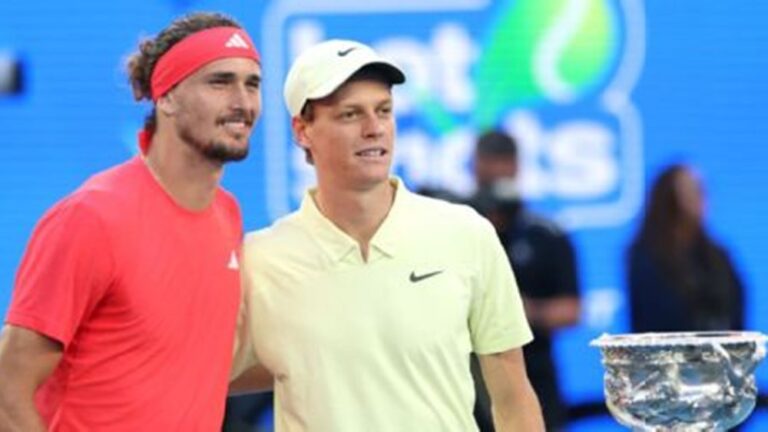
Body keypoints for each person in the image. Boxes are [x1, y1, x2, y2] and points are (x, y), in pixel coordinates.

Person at [232, 39, 545, 431]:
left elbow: (513, 397)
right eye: (350, 114)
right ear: (302, 130)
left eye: (384, 111)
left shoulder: (467, 234)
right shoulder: (260, 258)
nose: (374, 128)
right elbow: (203, 379)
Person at [0, 12, 261, 430]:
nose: (243, 102)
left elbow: (190, 368)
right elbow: (7, 392)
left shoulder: (227, 214)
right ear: (167, 98)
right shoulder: (91, 217)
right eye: (220, 81)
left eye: (252, 84)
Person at [468, 130, 581, 432]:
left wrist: (517, 311)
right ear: (474, 167)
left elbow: (571, 310)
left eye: (503, 163)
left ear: (516, 167)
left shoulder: (546, 235)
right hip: (468, 376)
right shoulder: (459, 231)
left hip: (535, 371)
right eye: (488, 165)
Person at [627, 163, 744, 332]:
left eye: (703, 190)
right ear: (670, 198)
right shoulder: (645, 259)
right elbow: (651, 318)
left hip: (722, 354)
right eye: (694, 190)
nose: (701, 198)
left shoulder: (718, 256)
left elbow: (736, 312)